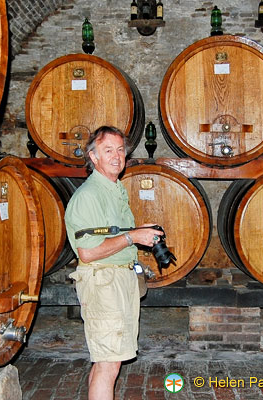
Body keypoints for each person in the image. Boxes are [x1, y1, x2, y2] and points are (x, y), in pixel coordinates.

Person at [64, 126, 163, 400]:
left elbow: (109, 235)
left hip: (116, 280)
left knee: (107, 361)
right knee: (109, 363)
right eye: (108, 150)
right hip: (103, 282)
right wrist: (132, 237)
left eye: (120, 150)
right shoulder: (89, 195)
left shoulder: (113, 190)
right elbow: (87, 252)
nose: (116, 156)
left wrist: (138, 232)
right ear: (93, 157)